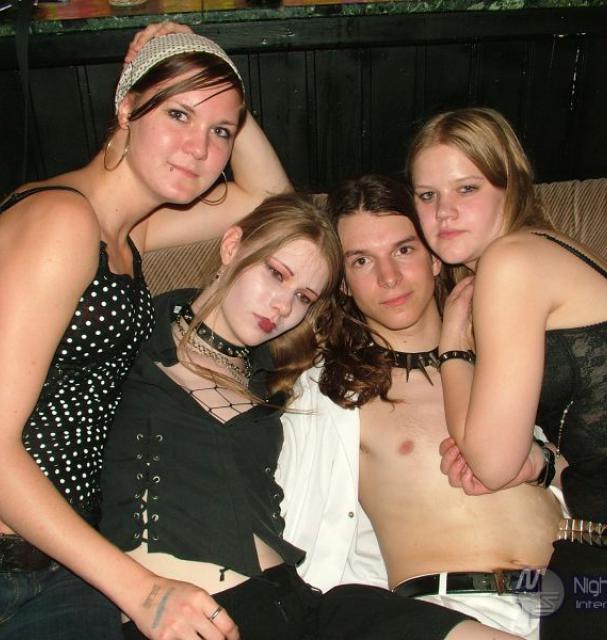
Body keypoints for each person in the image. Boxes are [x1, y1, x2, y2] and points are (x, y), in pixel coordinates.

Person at [0, 24, 289, 640]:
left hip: (65, 561)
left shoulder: (125, 231)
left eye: (220, 132)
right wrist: (144, 590)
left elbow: (270, 198)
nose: (198, 147)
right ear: (126, 108)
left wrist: (219, 81)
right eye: (178, 114)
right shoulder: (61, 220)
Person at [99, 191, 489, 640]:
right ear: (232, 246)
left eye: (303, 296)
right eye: (275, 273)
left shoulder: (283, 381)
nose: (282, 307)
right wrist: (139, 590)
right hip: (198, 620)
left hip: (306, 604)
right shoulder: (133, 332)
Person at [278, 174, 563, 640]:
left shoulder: (504, 351)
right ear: (343, 283)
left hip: (571, 593)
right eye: (362, 260)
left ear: (434, 256)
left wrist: (541, 463)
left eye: (404, 250)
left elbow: (600, 474)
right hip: (449, 613)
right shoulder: (331, 393)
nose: (388, 277)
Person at [406, 107, 607, 638]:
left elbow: (488, 464)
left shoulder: (512, 262)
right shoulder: (543, 250)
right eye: (427, 195)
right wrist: (541, 463)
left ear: (510, 186)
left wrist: (452, 349)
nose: (444, 212)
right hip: (605, 552)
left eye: (467, 188)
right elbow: (601, 435)